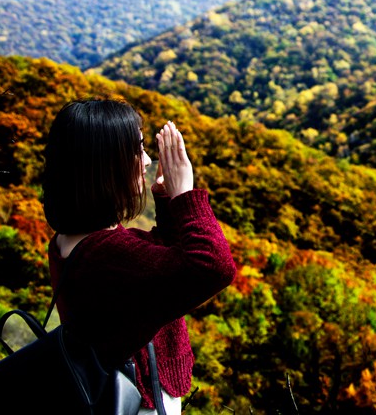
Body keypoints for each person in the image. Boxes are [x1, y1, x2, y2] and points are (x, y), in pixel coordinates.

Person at [43, 99, 237, 414]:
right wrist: (185, 197)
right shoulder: (107, 254)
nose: (146, 160)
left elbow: (155, 266)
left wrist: (164, 199)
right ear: (105, 164)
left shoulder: (71, 241)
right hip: (139, 405)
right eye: (137, 149)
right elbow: (213, 266)